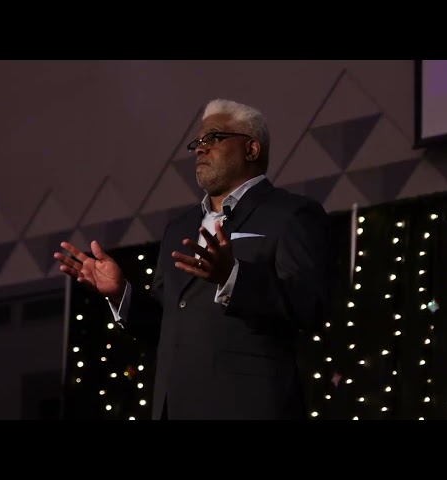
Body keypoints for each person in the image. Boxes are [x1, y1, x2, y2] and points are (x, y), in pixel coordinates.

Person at [54, 98, 332, 420]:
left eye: (214, 137)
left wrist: (233, 277)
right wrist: (122, 294)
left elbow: (310, 306)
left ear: (251, 149)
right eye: (198, 142)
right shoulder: (179, 229)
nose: (200, 148)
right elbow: (166, 325)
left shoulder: (291, 214)